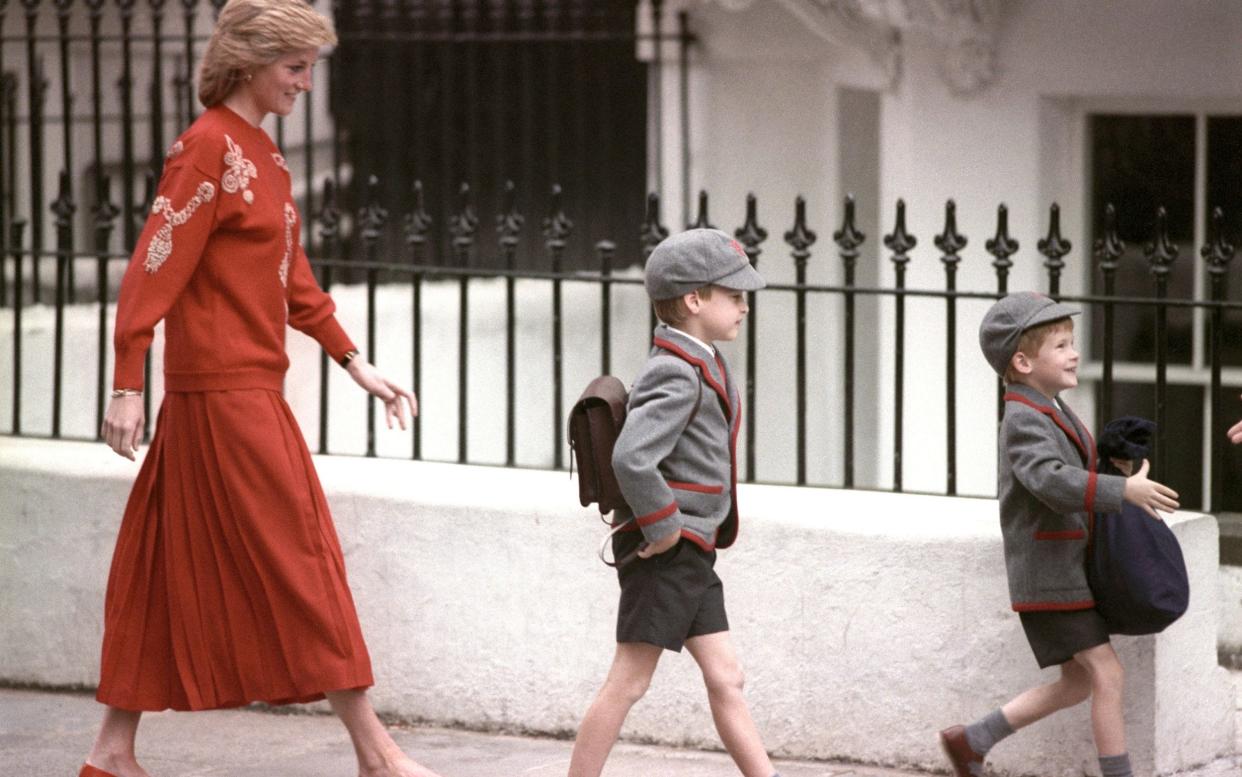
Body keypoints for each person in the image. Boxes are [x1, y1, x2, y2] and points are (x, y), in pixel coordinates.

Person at [81, 2, 440, 776]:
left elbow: (294, 283)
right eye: (295, 68)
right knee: (304, 558)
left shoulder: (266, 159)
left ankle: (111, 754)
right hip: (223, 396)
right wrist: (125, 383)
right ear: (250, 61)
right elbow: (154, 264)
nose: (307, 85)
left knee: (156, 569)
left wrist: (356, 364)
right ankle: (377, 754)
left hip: (240, 389)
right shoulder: (206, 148)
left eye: (310, 68)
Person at [567, 229, 781, 777]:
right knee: (629, 681)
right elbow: (633, 457)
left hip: (691, 548)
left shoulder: (700, 359)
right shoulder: (675, 369)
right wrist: (662, 529)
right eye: (733, 295)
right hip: (668, 549)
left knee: (726, 675)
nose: (744, 306)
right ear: (693, 301)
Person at [937, 292, 1179, 777]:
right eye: (1062, 345)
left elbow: (1071, 469)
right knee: (1106, 674)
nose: (1074, 353)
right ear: (1023, 362)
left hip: (1068, 572)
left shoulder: (1051, 407)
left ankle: (972, 740)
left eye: (1072, 343)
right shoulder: (1023, 417)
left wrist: (1113, 461)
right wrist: (1120, 489)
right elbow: (1048, 479)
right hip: (1050, 577)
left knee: (1077, 682)